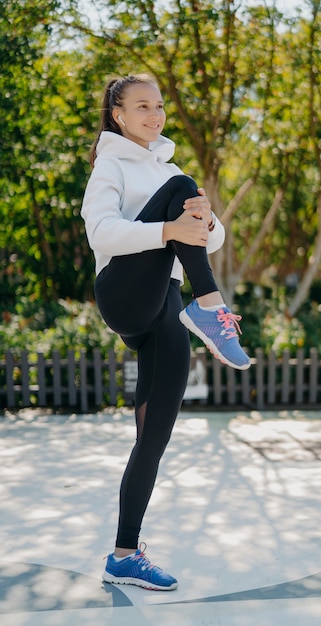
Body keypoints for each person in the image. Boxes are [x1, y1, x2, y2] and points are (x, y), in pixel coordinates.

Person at [81, 73, 250, 592]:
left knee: (152, 440)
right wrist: (171, 226)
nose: (154, 115)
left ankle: (124, 555)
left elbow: (211, 239)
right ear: (119, 115)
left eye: (158, 106)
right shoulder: (110, 164)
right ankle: (212, 308)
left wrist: (203, 218)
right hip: (123, 292)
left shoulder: (170, 168)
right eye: (142, 106)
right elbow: (100, 231)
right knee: (180, 188)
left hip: (165, 309)